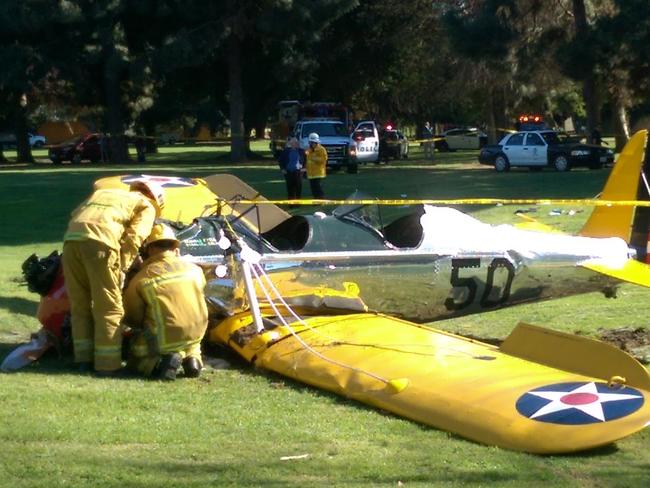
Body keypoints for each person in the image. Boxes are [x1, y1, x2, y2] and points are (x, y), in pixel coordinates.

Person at [62, 181, 164, 375]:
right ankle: (107, 364)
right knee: (109, 307)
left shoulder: (106, 193)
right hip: (101, 243)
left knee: (79, 304)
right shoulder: (146, 205)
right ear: (156, 200)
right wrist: (123, 267)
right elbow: (136, 237)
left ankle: (82, 360)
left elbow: (76, 214)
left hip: (71, 241)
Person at [123, 223, 208, 380]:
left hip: (164, 339)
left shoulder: (142, 278)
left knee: (138, 353)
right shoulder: (195, 269)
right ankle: (193, 360)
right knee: (190, 343)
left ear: (150, 249)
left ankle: (160, 363)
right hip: (197, 334)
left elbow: (133, 317)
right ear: (175, 248)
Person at [278, 137, 305, 201]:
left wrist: (304, 168)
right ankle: (291, 203)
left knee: (298, 188)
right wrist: (282, 169)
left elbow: (306, 160)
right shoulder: (286, 151)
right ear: (291, 144)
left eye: (297, 143)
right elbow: (280, 161)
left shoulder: (301, 151)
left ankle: (298, 202)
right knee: (290, 188)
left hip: (298, 172)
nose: (296, 144)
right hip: (288, 172)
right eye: (294, 143)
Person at [305, 132, 328, 199]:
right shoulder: (309, 150)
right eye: (310, 142)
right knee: (313, 188)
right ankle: (315, 199)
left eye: (312, 142)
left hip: (318, 172)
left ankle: (321, 199)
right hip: (310, 173)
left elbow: (324, 159)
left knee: (318, 187)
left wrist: (314, 158)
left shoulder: (321, 149)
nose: (311, 144)